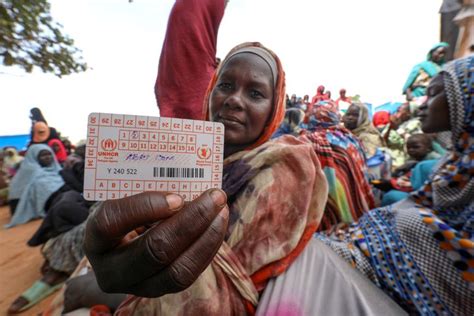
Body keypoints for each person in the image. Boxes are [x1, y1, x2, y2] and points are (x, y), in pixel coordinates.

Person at [83, 41, 330, 315]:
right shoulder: (178, 154)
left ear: (274, 109)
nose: (234, 99)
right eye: (225, 85)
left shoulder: (284, 167)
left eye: (255, 93)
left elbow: (224, 277)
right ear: (210, 91)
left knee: (77, 292)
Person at [313, 55, 474, 315]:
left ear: (465, 101)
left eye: (434, 94)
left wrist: (412, 227)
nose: (423, 105)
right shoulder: (454, 163)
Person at [304, 101, 375, 230]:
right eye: (349, 114)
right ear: (336, 116)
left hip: (320, 220)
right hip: (357, 215)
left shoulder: (304, 142)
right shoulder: (352, 140)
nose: (350, 118)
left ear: (310, 116)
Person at [373, 133, 440, 206]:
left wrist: (392, 184)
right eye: (408, 148)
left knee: (391, 196)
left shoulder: (429, 163)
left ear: (428, 148)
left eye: (416, 147)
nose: (411, 150)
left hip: (429, 199)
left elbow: (418, 186)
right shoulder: (416, 161)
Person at [6, 144, 64, 224]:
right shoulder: (31, 170)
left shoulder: (56, 169)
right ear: (34, 156)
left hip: (50, 203)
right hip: (23, 206)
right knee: (41, 183)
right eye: (43, 155)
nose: (48, 157)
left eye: (49, 154)